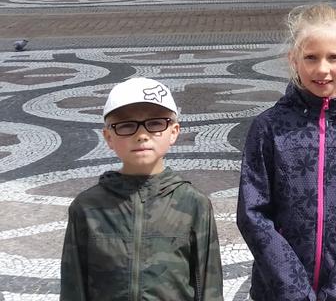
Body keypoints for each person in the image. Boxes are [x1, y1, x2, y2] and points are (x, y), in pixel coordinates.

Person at [237, 3, 336, 301]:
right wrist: (294, 290)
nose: (322, 69)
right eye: (310, 57)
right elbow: (253, 213)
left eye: (333, 57)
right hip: (280, 292)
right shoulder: (268, 127)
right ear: (293, 59)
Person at [60, 76, 224, 301]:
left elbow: (209, 286)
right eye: (126, 126)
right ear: (108, 136)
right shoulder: (87, 207)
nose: (142, 135)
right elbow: (73, 286)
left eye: (156, 123)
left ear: (174, 132)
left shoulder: (194, 203)